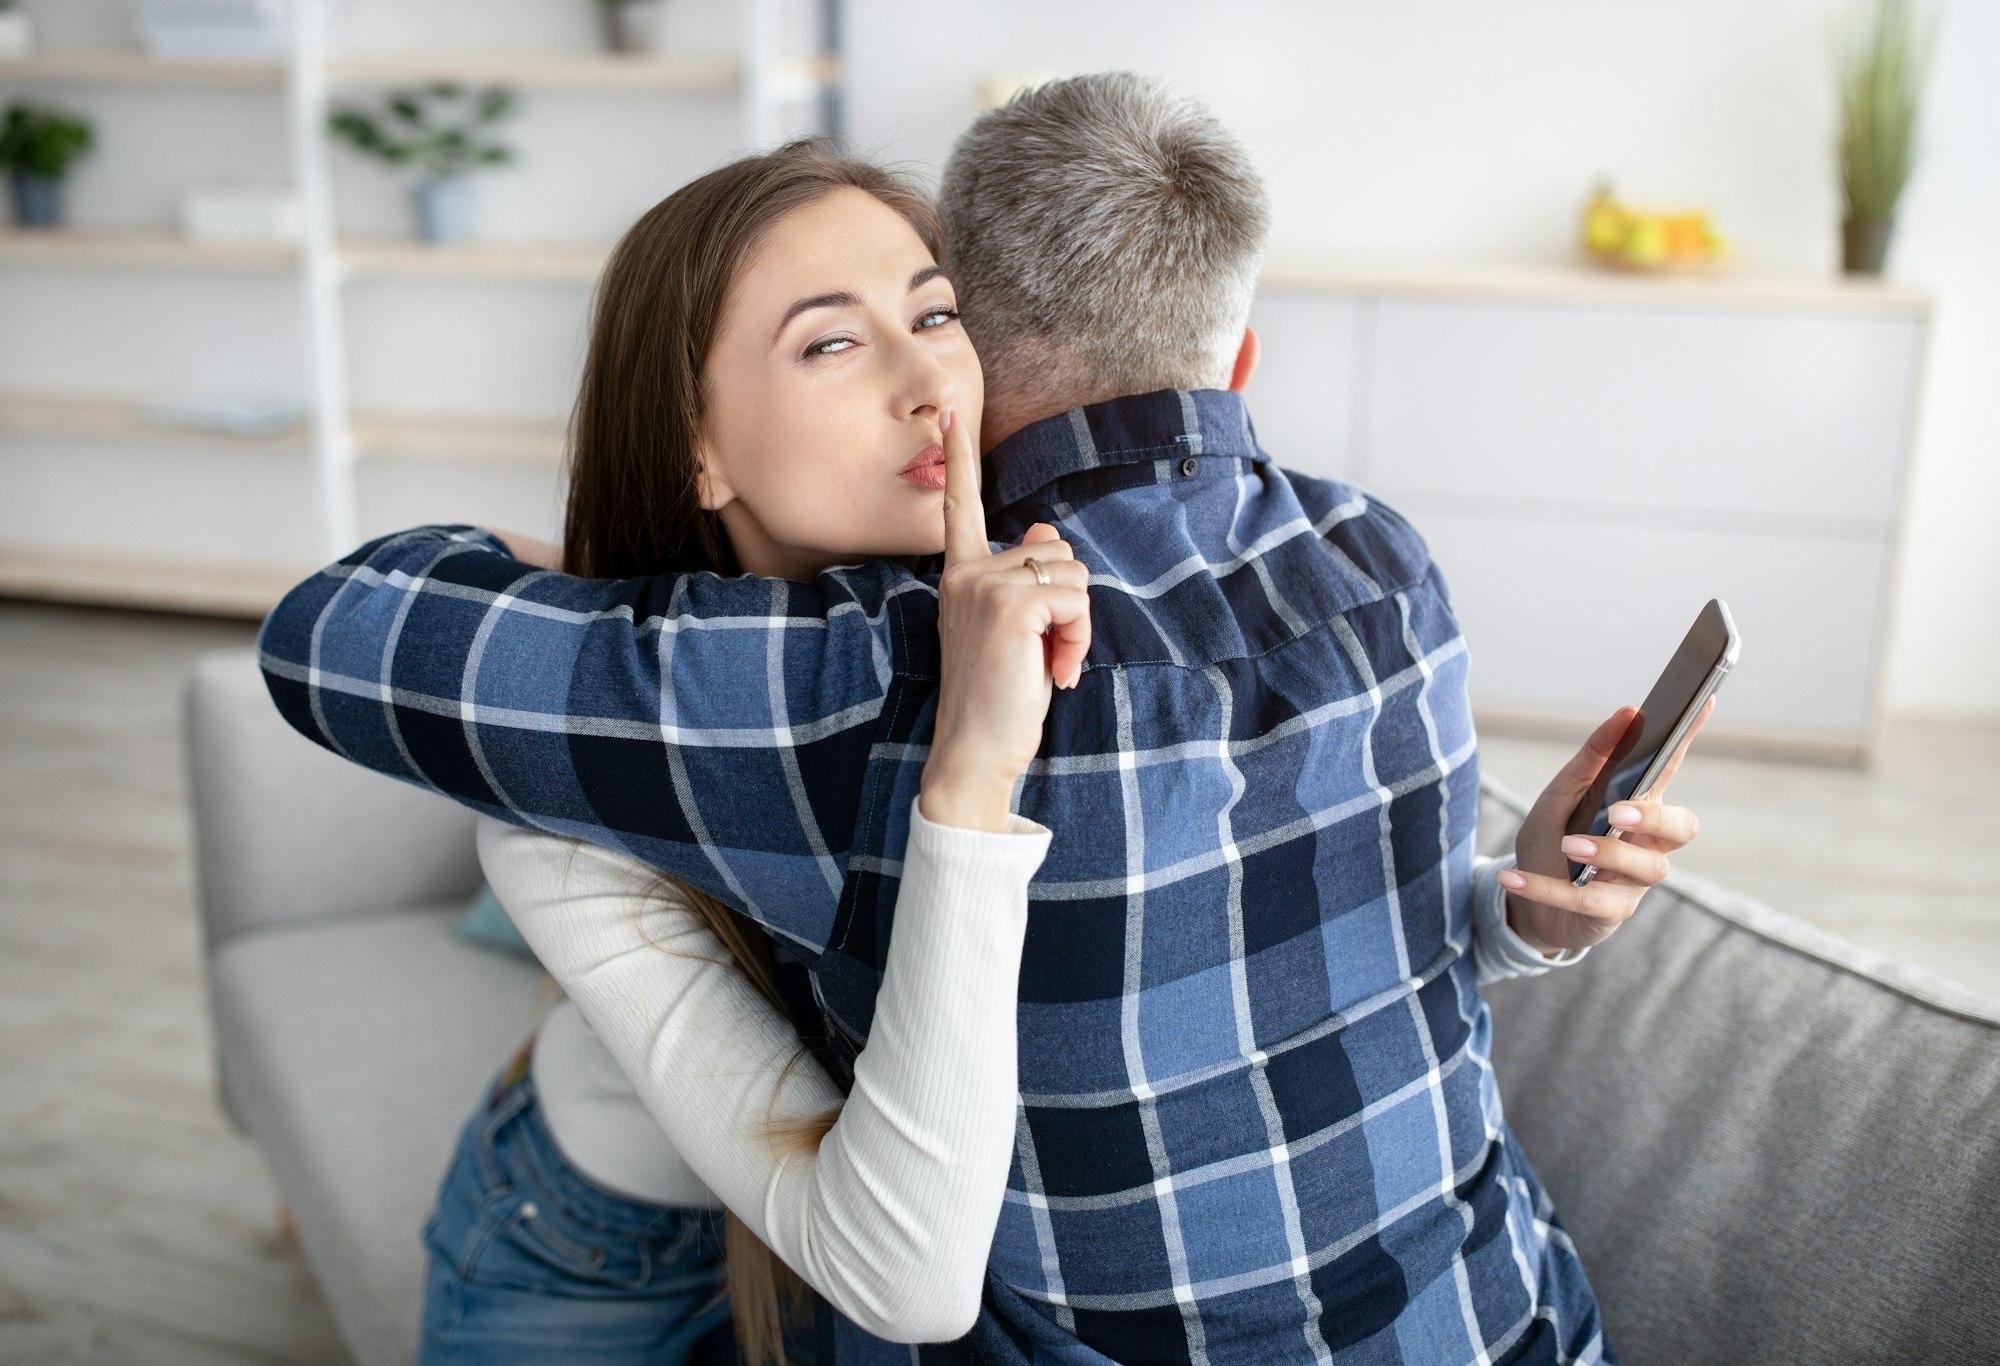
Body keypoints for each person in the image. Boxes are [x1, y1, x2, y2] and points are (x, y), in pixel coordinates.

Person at [260, 75, 1714, 1363]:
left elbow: (1237, 942)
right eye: (832, 344)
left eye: (939, 315)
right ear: (697, 441)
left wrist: (1516, 907)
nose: (925, 383)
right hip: (595, 1246)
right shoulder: (828, 685)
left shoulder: (970, 631)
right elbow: (329, 633)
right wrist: (588, 580)